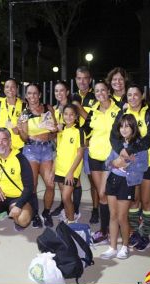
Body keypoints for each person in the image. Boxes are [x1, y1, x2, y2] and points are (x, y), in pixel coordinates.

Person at [109, 85, 150, 251]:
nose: (133, 98)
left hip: (146, 163)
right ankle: (135, 231)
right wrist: (120, 151)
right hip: (129, 166)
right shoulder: (123, 112)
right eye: (129, 95)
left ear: (142, 96)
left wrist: (129, 150)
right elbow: (113, 134)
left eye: (136, 94)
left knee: (146, 201)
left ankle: (145, 235)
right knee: (134, 201)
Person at [101, 114, 148, 260]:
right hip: (113, 180)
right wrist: (114, 163)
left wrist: (132, 161)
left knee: (122, 217)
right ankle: (112, 247)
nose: (124, 129)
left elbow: (144, 166)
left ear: (133, 127)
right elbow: (108, 162)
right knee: (113, 215)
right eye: (121, 126)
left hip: (127, 183)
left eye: (127, 126)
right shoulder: (117, 143)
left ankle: (125, 246)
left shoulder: (140, 145)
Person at [83, 81, 121, 244]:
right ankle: (105, 230)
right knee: (102, 195)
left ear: (108, 91)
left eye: (103, 90)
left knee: (115, 195)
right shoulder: (93, 111)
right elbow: (84, 130)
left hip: (113, 159)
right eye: (97, 91)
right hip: (95, 157)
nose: (100, 93)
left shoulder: (119, 109)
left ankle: (117, 226)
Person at [17, 83, 57, 228]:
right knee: (32, 186)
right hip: (31, 150)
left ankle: (46, 213)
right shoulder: (25, 113)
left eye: (35, 93)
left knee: (50, 184)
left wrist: (53, 131)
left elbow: (54, 132)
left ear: (39, 95)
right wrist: (20, 128)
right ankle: (34, 215)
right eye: (29, 93)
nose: (32, 96)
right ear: (26, 96)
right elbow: (24, 138)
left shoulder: (48, 108)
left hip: (47, 149)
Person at [50, 81, 84, 221]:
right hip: (59, 169)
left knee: (65, 197)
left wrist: (71, 172)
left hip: (71, 171)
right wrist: (53, 169)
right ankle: (69, 218)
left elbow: (80, 153)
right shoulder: (61, 131)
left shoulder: (79, 132)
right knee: (65, 198)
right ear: (62, 115)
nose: (68, 117)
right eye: (66, 114)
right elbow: (58, 152)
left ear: (76, 116)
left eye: (72, 115)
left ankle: (71, 221)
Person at [68, 66, 99, 224]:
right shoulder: (73, 96)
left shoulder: (96, 96)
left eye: (85, 78)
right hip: (74, 144)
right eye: (79, 78)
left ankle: (95, 209)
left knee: (93, 180)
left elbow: (95, 122)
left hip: (90, 144)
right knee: (74, 177)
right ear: (75, 79)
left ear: (90, 79)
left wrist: (79, 109)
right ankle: (74, 207)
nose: (82, 81)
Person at [0, 78, 26, 150]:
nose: (10, 89)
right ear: (4, 89)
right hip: (1, 146)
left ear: (17, 89)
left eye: (13, 87)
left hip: (20, 147)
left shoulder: (24, 106)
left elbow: (27, 129)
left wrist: (19, 132)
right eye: (7, 87)